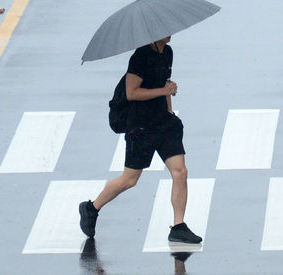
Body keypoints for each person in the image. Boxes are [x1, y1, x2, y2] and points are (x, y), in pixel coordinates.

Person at [79, 36, 202, 244]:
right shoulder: (141, 56)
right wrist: (164, 90)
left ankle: (178, 226)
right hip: (141, 127)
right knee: (129, 179)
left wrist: (169, 109)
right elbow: (131, 93)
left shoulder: (167, 52)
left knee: (180, 171)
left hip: (164, 123)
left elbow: (165, 83)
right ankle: (91, 208)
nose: (169, 32)